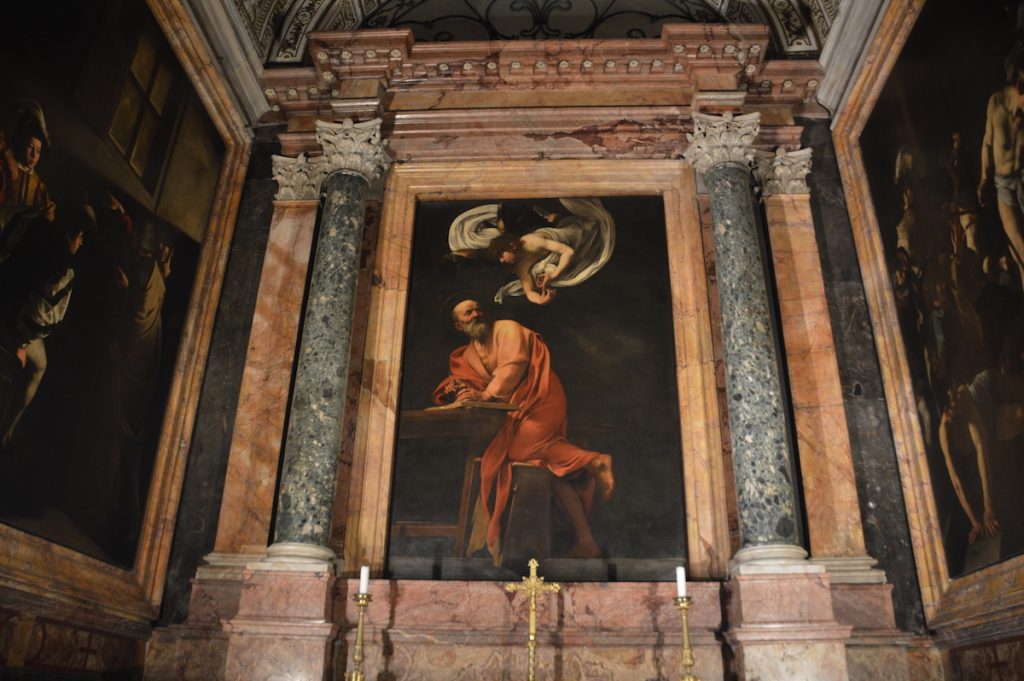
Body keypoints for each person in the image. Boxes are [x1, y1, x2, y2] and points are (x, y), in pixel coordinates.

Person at [433, 299, 615, 562]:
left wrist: (484, 394)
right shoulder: (469, 353)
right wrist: (464, 391)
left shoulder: (506, 329)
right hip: (516, 408)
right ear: (458, 325)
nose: (476, 314)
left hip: (541, 395)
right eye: (468, 312)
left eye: (477, 309)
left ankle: (595, 460)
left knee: (520, 450)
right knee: (549, 469)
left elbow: (512, 368)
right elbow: (469, 381)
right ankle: (586, 541)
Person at [0, 207, 92, 448]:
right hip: (12, 325)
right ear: (75, 235)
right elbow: (40, 318)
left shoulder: (30, 222)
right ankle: (7, 431)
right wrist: (20, 344)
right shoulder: (65, 269)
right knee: (39, 366)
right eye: (81, 239)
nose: (80, 244)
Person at [447, 198, 615, 305]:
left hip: (572, 235)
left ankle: (557, 219)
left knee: (592, 227)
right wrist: (540, 300)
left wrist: (554, 275)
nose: (502, 261)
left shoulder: (532, 241)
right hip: (566, 245)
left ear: (511, 245)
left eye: (501, 255)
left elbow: (568, 252)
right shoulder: (520, 267)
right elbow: (529, 290)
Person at [977, 53, 1024, 287]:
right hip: (1003, 184)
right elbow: (987, 143)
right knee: (1020, 251)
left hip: (1023, 178)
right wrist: (983, 179)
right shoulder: (996, 103)